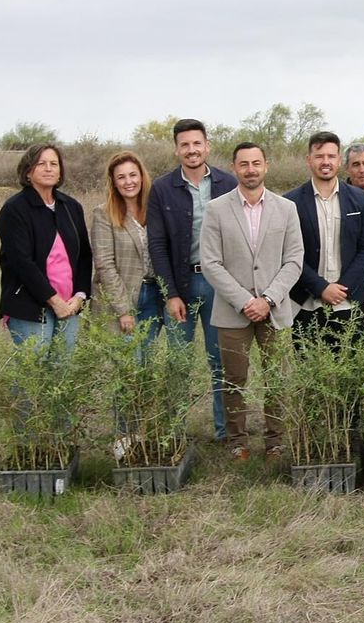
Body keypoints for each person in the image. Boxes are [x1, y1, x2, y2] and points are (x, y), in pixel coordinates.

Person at [201, 142, 305, 461]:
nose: (250, 169)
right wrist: (245, 300)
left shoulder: (286, 208)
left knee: (277, 377)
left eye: (256, 163)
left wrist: (268, 299)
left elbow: (294, 260)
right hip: (233, 311)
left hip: (274, 309)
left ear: (266, 166)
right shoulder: (216, 209)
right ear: (234, 168)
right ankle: (238, 442)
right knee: (233, 379)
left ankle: (275, 441)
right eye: (244, 164)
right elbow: (210, 263)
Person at [146, 118, 234, 440]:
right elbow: (157, 244)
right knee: (179, 363)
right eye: (185, 144)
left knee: (220, 360)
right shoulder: (162, 188)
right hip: (181, 286)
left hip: (219, 285)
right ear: (176, 150)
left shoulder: (228, 183)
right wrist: (170, 293)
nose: (192, 150)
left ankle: (225, 432)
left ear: (207, 146)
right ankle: (175, 433)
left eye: (197, 143)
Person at [285, 131, 364, 344]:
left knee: (351, 362)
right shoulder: (291, 202)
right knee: (309, 362)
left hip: (350, 302)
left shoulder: (358, 199)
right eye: (319, 156)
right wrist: (321, 287)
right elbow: (288, 252)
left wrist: (342, 287)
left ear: (338, 160)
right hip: (307, 304)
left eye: (331, 156)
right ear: (309, 160)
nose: (325, 162)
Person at [0, 143, 92, 349]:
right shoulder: (14, 209)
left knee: (64, 366)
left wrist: (80, 296)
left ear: (60, 172)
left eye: (54, 164)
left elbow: (84, 256)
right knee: (35, 366)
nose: (48, 168)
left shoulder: (71, 207)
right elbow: (21, 263)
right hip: (29, 305)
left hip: (70, 304)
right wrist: (54, 301)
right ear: (28, 171)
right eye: (41, 163)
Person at [91, 150, 162, 337]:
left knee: (147, 352)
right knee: (125, 353)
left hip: (153, 295)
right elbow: (104, 265)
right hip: (119, 298)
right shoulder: (104, 214)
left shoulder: (156, 209)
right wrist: (123, 309)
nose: (128, 182)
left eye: (133, 175)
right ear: (114, 182)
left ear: (142, 177)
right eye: (121, 177)